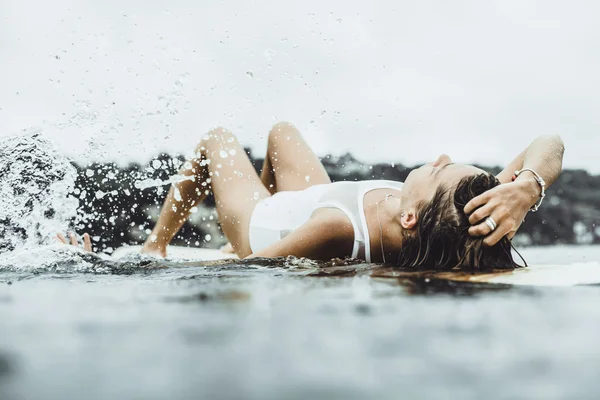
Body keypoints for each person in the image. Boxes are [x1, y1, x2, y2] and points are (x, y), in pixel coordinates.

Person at [59, 122, 564, 270]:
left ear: (409, 217)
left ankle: (154, 241)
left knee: (217, 141)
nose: (439, 157)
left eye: (440, 170)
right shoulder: (459, 209)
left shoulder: (336, 230)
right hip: (322, 195)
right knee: (281, 132)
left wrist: (115, 264)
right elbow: (550, 142)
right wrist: (526, 188)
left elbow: (247, 268)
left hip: (267, 222)